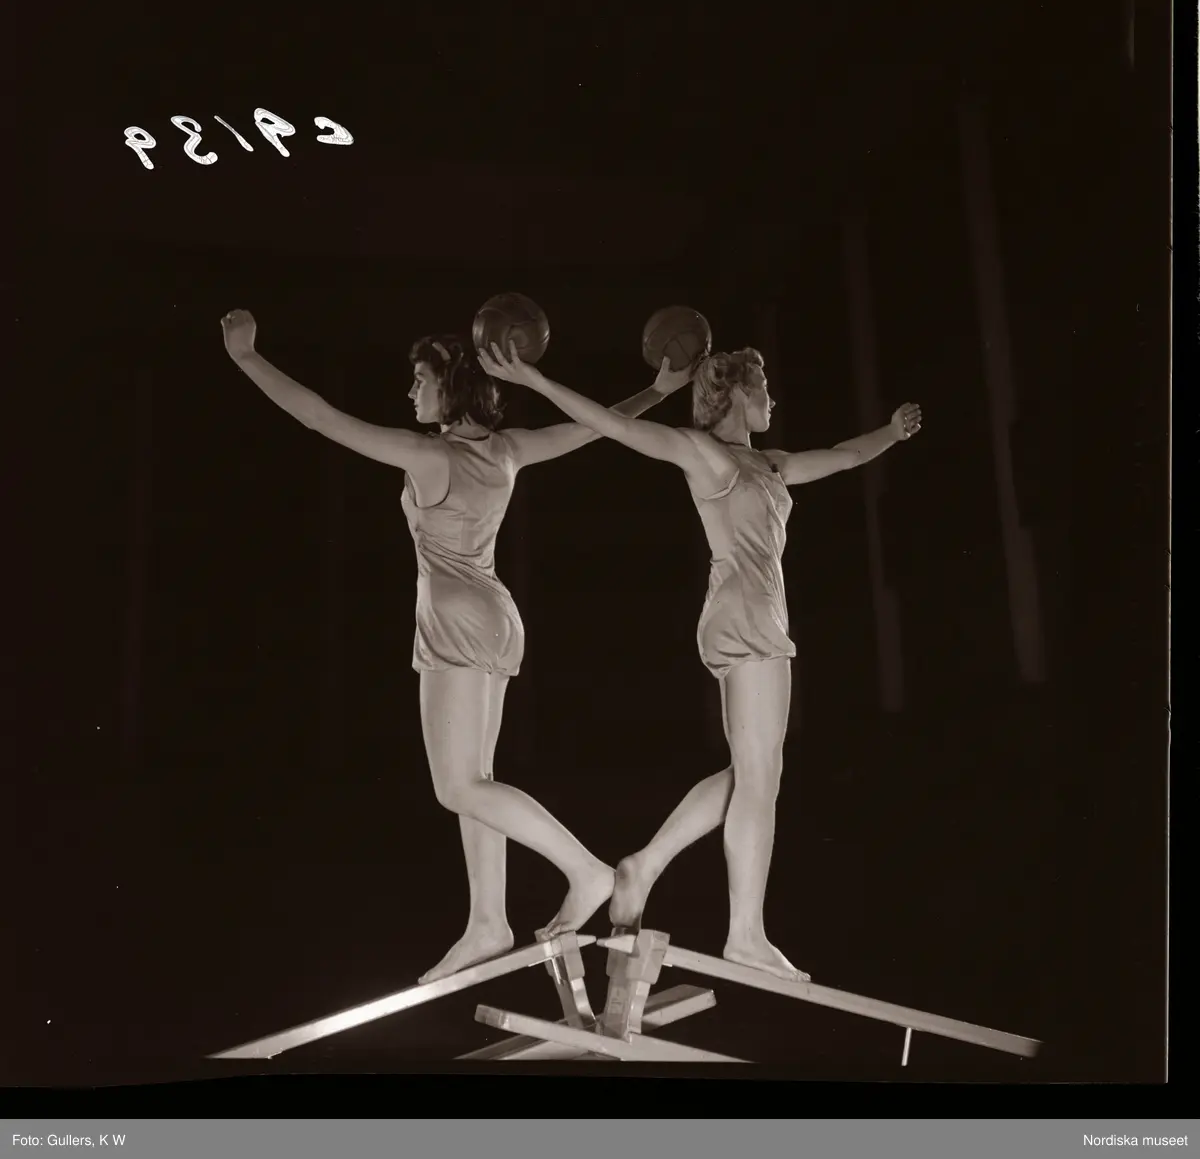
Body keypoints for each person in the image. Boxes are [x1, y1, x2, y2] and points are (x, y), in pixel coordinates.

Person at [220, 309, 693, 982]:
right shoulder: (508, 450)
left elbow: (321, 418)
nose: (411, 392)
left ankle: (585, 870)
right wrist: (657, 391)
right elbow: (596, 425)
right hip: (496, 618)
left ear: (453, 385)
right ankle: (487, 922)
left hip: (455, 622)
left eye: (421, 379)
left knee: (457, 787)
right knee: (478, 783)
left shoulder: (430, 455)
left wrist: (247, 358)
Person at [478, 339, 922, 982]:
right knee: (761, 777)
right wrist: (536, 380)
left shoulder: (770, 464)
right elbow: (614, 427)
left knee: (751, 771)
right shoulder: (705, 454)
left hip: (749, 613)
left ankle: (645, 866)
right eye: (764, 388)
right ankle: (744, 934)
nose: (773, 400)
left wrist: (889, 433)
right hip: (748, 613)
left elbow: (845, 455)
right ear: (737, 392)